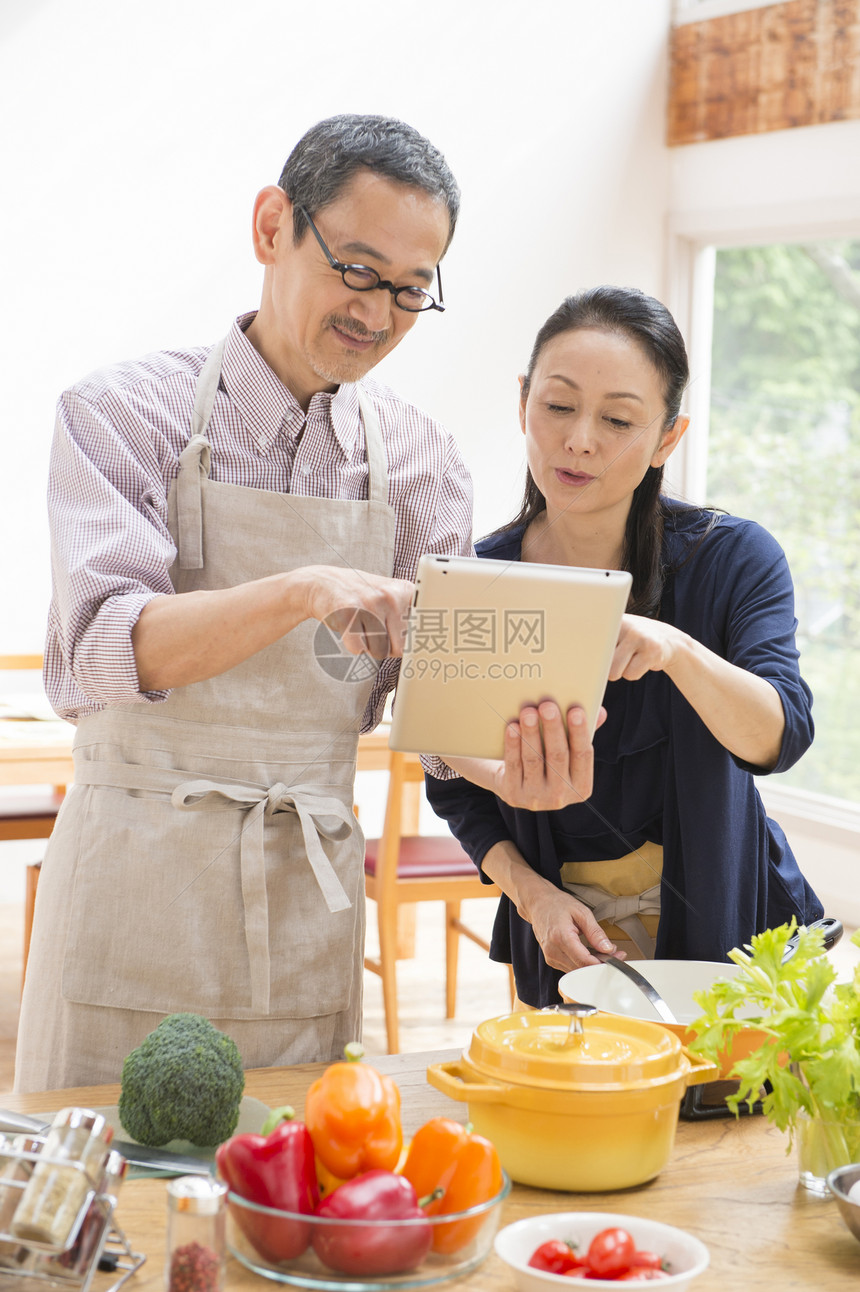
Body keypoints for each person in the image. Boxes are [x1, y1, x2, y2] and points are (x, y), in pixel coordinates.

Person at [16, 113, 473, 1092]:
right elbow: (106, 647)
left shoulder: (422, 464)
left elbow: (432, 707)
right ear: (273, 225)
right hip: (135, 884)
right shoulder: (119, 412)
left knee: (296, 1205)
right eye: (357, 268)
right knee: (98, 1208)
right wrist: (302, 589)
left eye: (408, 290)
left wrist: (520, 744)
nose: (377, 311)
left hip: (303, 898)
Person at [424, 285, 823, 1009]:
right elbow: (453, 783)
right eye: (558, 406)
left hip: (738, 935)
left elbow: (779, 735)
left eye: (616, 419)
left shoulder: (733, 559)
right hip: (568, 946)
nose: (580, 439)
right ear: (523, 403)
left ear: (668, 437)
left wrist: (673, 648)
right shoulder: (479, 578)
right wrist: (534, 897)